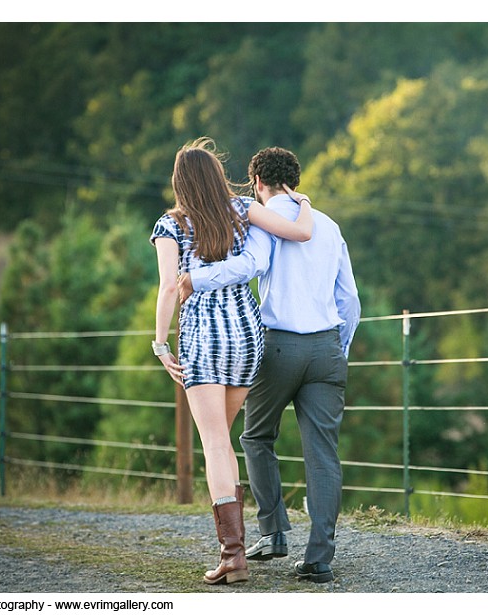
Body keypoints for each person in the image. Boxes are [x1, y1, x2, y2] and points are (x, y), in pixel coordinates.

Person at [179, 146, 361, 584]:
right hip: (326, 348)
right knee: (322, 451)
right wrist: (338, 349)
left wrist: (194, 279)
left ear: (257, 183)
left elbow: (252, 264)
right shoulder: (328, 226)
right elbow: (350, 299)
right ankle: (320, 557)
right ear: (293, 181)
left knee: (256, 435)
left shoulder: (262, 220)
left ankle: (273, 532)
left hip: (279, 346)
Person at [151, 137, 314, 585]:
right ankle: (235, 550)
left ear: (181, 183)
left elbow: (169, 288)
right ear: (218, 176)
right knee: (223, 437)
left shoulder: (171, 224)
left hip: (203, 339)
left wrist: (161, 344)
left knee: (216, 444)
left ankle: (233, 557)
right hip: (246, 336)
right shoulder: (242, 208)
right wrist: (301, 200)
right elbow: (301, 232)